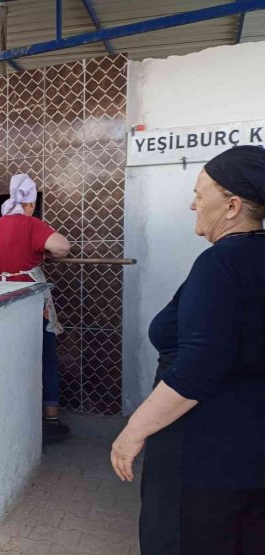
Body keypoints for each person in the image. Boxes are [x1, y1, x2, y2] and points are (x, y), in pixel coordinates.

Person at [111, 145, 265, 555]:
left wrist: (133, 431)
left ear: (231, 206)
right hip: (249, 447)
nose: (192, 203)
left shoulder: (220, 264)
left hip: (203, 450)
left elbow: (197, 366)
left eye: (200, 194)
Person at [0, 174, 71, 443]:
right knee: (44, 354)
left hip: (0, 300)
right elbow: (63, 246)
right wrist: (45, 254)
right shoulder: (31, 223)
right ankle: (50, 418)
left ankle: (11, 414)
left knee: (9, 357)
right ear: (31, 203)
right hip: (27, 301)